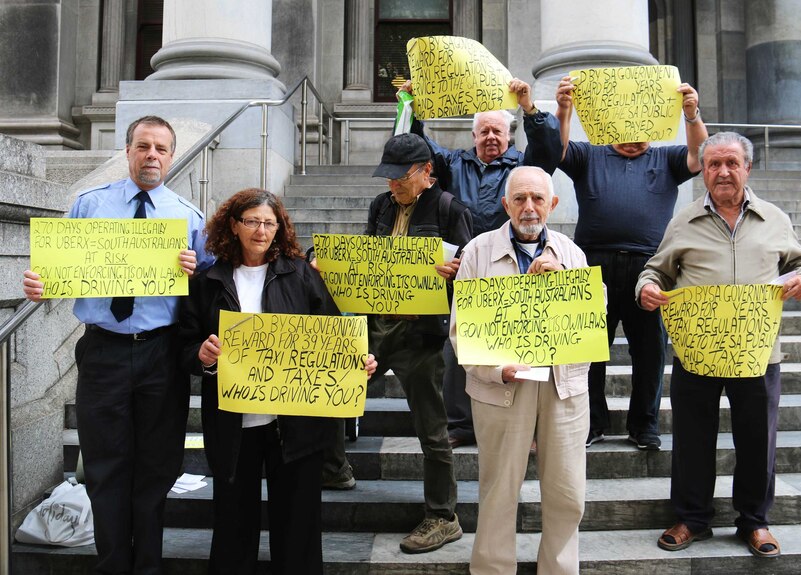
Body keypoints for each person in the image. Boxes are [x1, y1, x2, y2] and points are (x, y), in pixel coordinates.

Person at [22, 115, 213, 574]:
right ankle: (112, 565)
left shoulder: (188, 217)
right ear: (128, 150)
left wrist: (196, 271)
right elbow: (59, 272)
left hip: (161, 354)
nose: (152, 156)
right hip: (103, 350)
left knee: (157, 467)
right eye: (143, 146)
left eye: (161, 149)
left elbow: (212, 285)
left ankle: (147, 567)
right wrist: (39, 284)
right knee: (104, 468)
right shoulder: (89, 205)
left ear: (171, 156)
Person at [636, 132, 801, 558]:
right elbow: (655, 271)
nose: (722, 172)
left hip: (756, 352)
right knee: (692, 439)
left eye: (731, 163)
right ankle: (692, 519)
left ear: (747, 168)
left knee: (757, 441)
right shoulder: (683, 221)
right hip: (697, 350)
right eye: (714, 164)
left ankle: (754, 522)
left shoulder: (774, 218)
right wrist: (646, 289)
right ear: (704, 172)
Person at [178, 188, 377, 574]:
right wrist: (201, 356)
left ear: (279, 228)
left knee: (299, 528)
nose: (261, 230)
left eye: (269, 223)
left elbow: (333, 331)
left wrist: (358, 362)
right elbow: (184, 345)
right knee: (233, 526)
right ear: (233, 225)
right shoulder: (206, 281)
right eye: (252, 221)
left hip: (295, 425)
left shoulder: (299, 273)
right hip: (233, 424)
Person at [321, 133, 473, 553]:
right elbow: (368, 257)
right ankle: (334, 468)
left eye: (401, 177)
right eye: (387, 177)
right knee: (334, 389)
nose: (392, 185)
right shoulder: (380, 206)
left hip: (422, 335)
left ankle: (443, 516)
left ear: (427, 173)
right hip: (375, 325)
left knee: (432, 429)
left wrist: (457, 272)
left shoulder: (450, 209)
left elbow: (475, 272)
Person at [399, 77, 562, 448]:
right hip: (470, 266)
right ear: (473, 136)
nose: (491, 136)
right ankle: (460, 424)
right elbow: (419, 148)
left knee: (522, 343)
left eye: (498, 130)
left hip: (519, 264)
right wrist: (412, 104)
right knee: (464, 346)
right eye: (484, 130)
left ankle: (528, 426)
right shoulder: (454, 163)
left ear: (509, 135)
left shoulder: (523, 165)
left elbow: (549, 149)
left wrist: (530, 109)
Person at [554, 74, 709, 450]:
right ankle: (591, 422)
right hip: (591, 266)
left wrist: (691, 115)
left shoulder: (666, 156)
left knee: (651, 351)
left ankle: (645, 425)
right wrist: (563, 111)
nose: (634, 133)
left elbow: (700, 157)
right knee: (588, 349)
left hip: (649, 269)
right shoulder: (590, 154)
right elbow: (555, 153)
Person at [452, 166, 592, 574]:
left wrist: (564, 283)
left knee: (568, 492)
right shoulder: (478, 251)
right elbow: (461, 329)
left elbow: (594, 314)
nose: (529, 207)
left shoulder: (572, 253)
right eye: (519, 199)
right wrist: (497, 369)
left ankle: (560, 569)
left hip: (563, 385)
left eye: (537, 199)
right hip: (502, 388)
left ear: (553, 204)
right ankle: (492, 569)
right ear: (505, 204)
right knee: (498, 490)